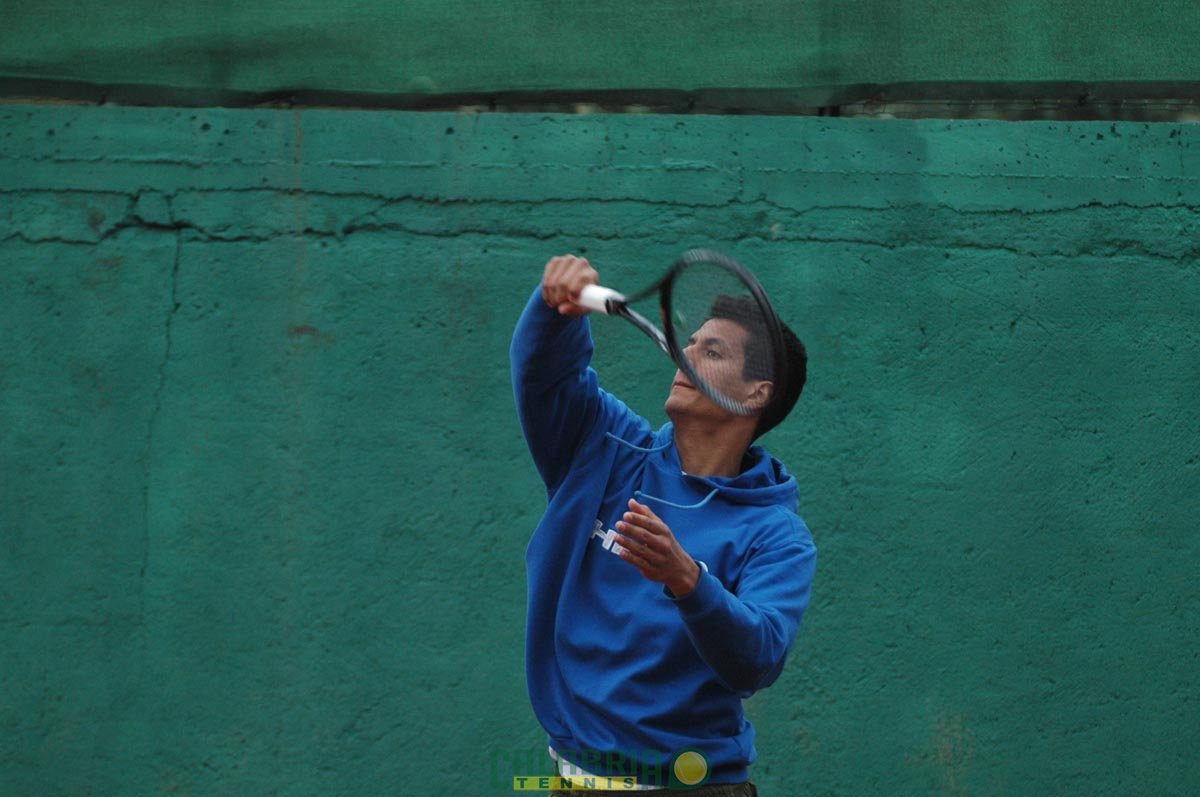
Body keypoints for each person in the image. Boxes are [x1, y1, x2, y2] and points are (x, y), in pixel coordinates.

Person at [511, 254, 817, 795]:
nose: (684, 353)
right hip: (569, 779)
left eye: (712, 351)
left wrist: (688, 580)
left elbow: (758, 659)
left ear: (757, 392)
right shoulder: (605, 444)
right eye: (690, 342)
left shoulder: (778, 535)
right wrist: (555, 310)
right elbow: (544, 378)